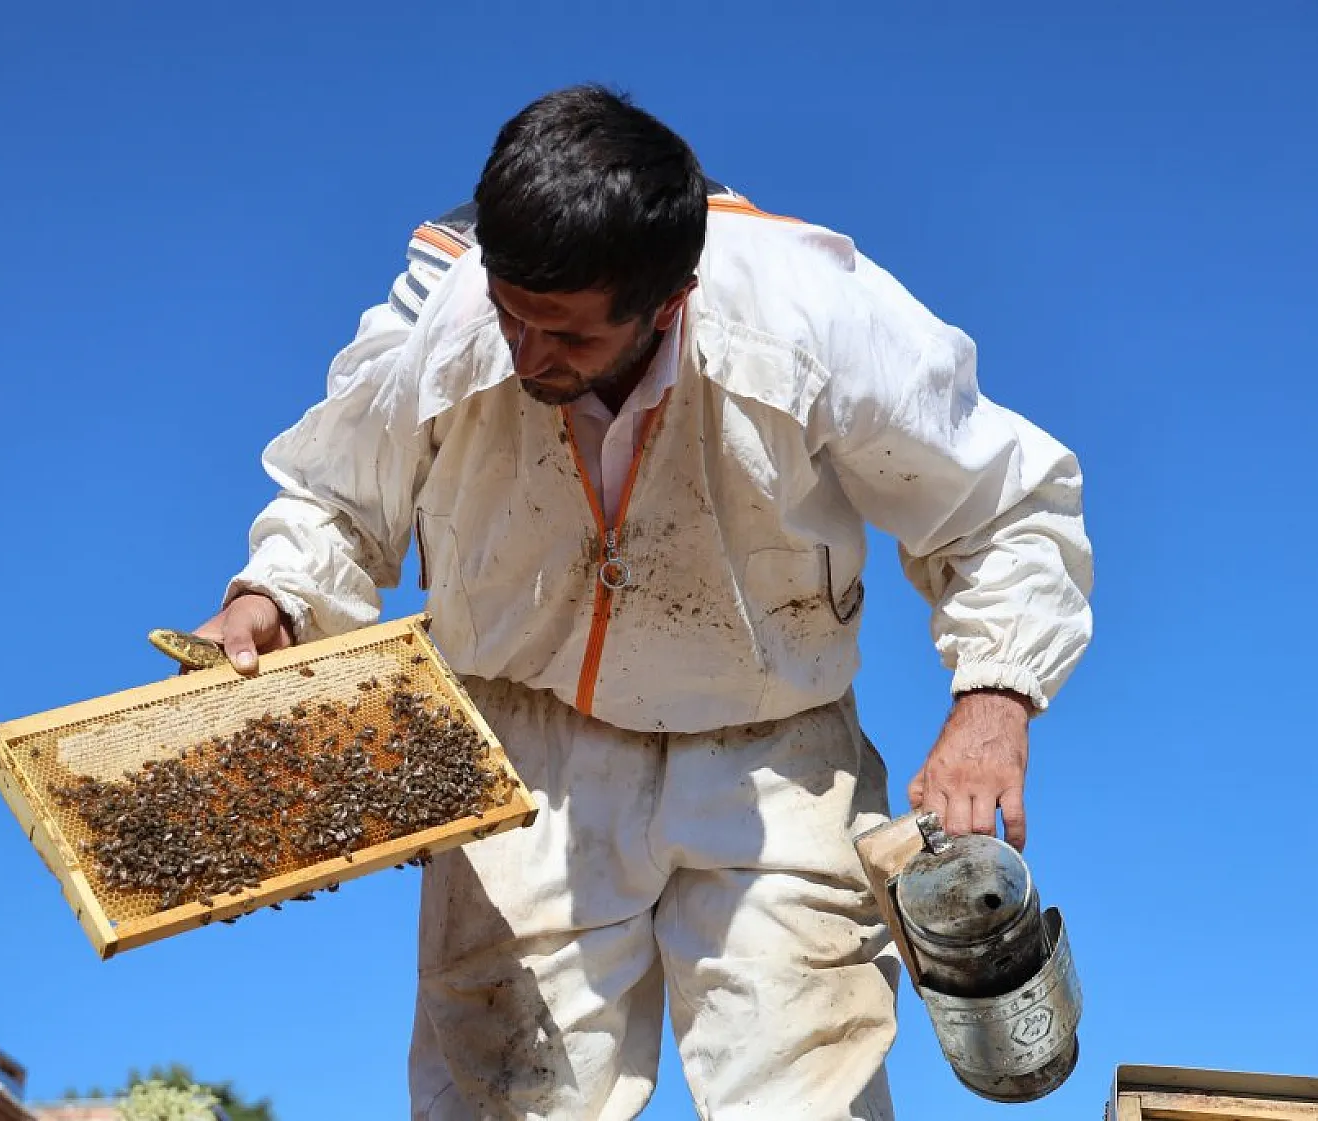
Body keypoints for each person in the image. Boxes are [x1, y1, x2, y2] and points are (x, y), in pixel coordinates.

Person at [194, 85, 1093, 1121]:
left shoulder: (813, 314)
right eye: (512, 315)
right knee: (508, 1098)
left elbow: (1004, 506)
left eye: (567, 336)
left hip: (772, 753)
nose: (528, 354)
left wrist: (992, 703)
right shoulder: (443, 311)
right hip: (522, 759)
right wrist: (274, 595)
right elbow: (337, 497)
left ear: (668, 302)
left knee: (807, 1095)